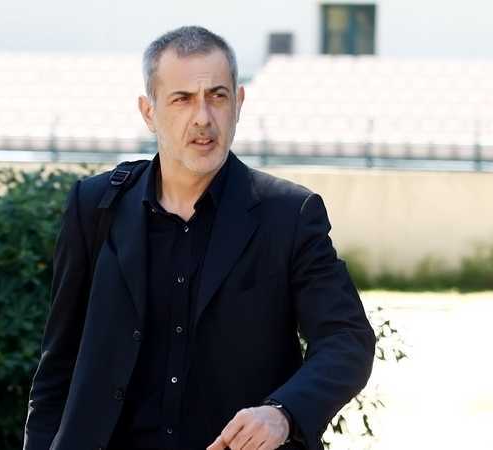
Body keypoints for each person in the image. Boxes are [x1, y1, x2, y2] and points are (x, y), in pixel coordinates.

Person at [23, 26, 375, 450]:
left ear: (238, 104)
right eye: (182, 99)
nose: (203, 118)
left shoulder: (290, 215)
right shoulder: (94, 205)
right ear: (149, 112)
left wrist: (283, 412)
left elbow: (347, 340)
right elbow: (57, 366)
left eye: (217, 97)